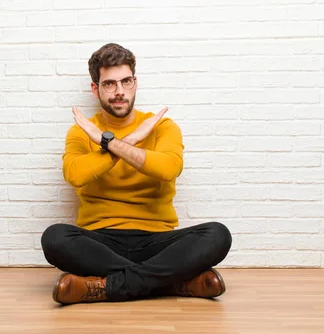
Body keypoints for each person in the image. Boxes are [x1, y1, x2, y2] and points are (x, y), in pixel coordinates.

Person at [41, 43, 232, 305]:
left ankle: (103, 287)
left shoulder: (161, 126)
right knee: (54, 238)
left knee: (218, 234)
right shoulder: (83, 131)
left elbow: (168, 169)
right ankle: (173, 282)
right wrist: (127, 142)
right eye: (109, 84)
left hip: (157, 240)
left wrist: (111, 143)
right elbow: (75, 174)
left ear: (135, 82)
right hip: (101, 240)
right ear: (95, 88)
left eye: (126, 81)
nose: (120, 92)